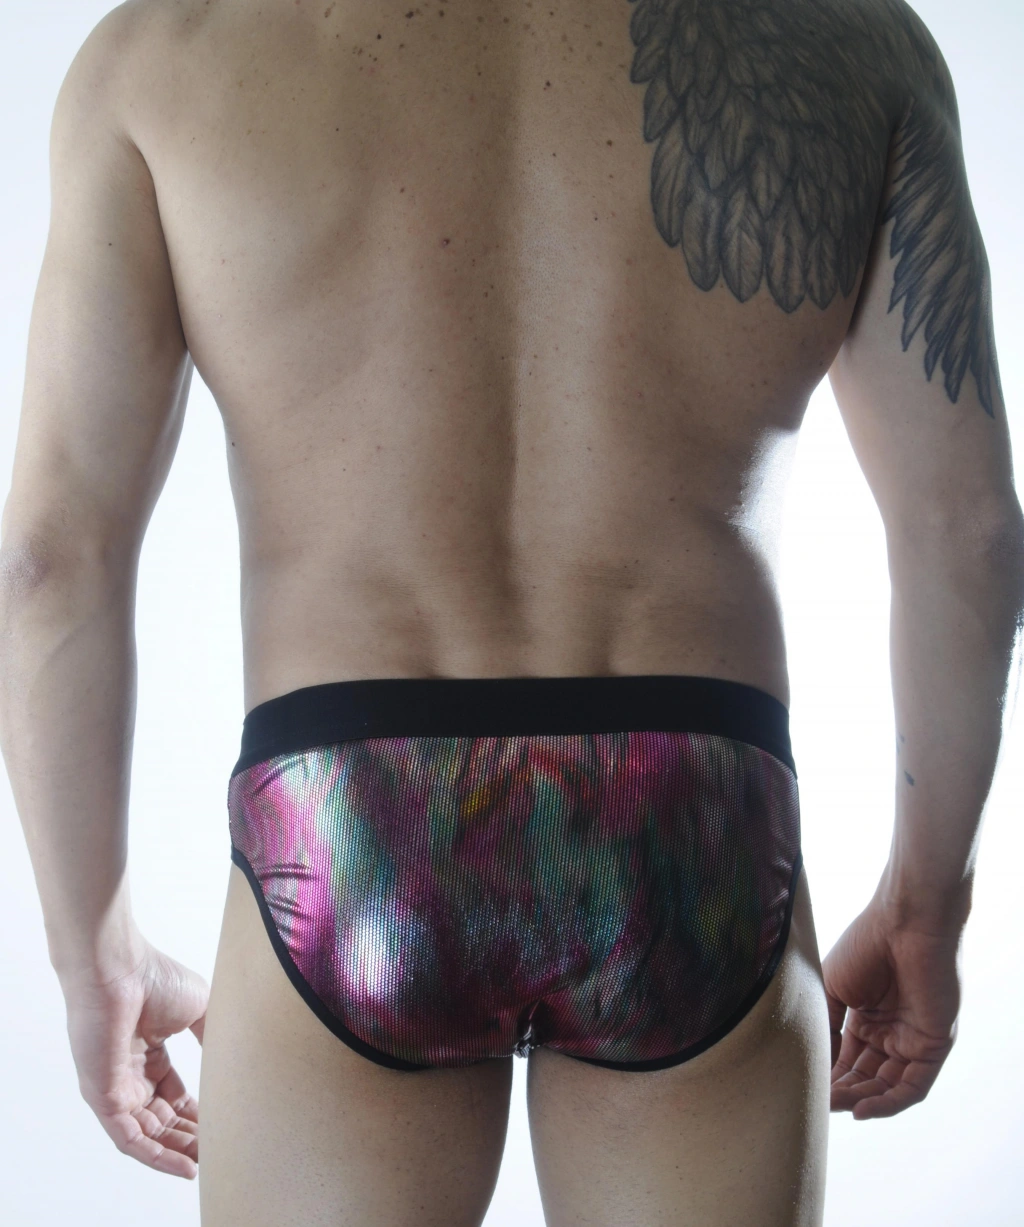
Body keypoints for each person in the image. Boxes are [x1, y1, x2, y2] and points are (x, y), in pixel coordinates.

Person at [1, 0, 1021, 1223]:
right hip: (694, 828)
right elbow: (967, 535)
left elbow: (50, 561)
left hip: (349, 821)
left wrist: (94, 953)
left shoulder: (166, 56)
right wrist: (926, 908)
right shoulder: (849, 42)